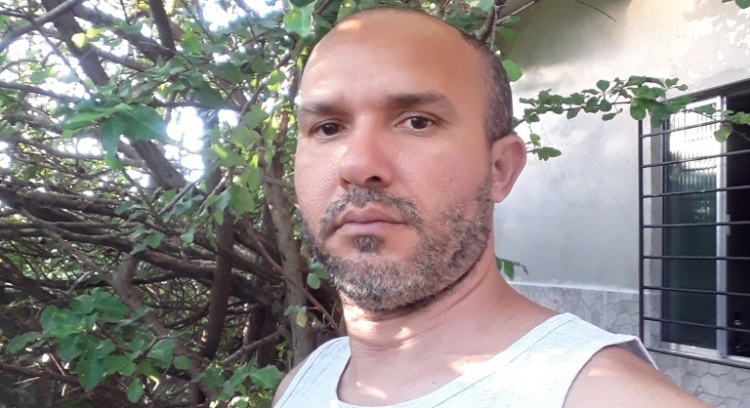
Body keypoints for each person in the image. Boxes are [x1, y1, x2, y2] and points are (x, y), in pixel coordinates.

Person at [274, 6, 708, 408]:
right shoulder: (302, 384)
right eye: (327, 128)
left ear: (500, 169)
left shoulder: (610, 397)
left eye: (417, 122)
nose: (357, 165)